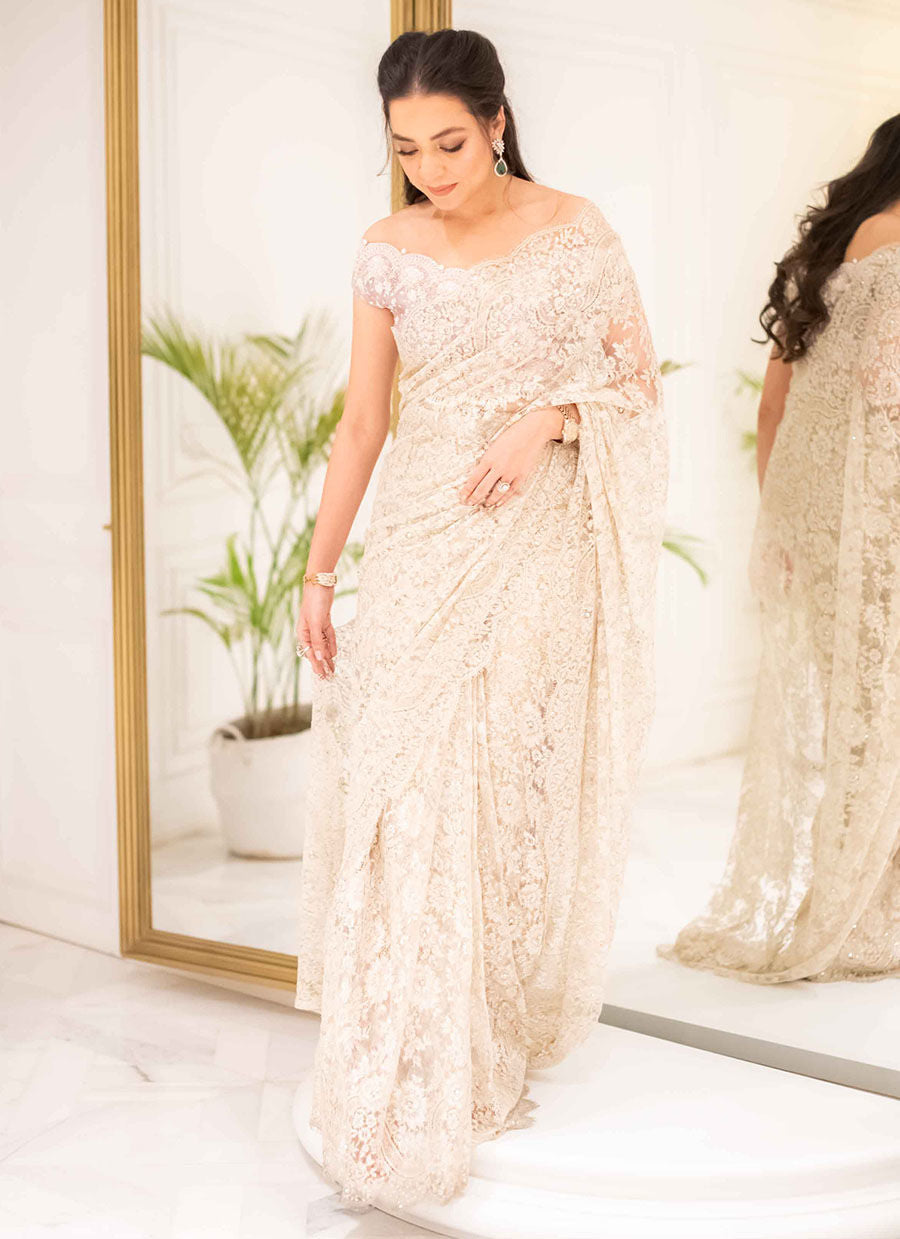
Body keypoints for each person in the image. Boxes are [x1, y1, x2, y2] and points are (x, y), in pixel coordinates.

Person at [293, 27, 668, 1211]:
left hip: (534, 542)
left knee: (501, 787)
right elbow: (363, 424)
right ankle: (400, 1056)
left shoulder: (576, 230)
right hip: (420, 539)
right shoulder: (386, 250)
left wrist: (548, 420)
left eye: (450, 143)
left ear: (498, 122)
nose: (430, 171)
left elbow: (635, 386)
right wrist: (317, 574)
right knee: (399, 785)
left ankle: (479, 1034)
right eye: (407, 149)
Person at [658, 113, 900, 986]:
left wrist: (782, 521)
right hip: (879, 506)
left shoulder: (823, 256)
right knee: (884, 707)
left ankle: (853, 891)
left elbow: (773, 407)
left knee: (853, 707)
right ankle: (867, 906)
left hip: (808, 500)